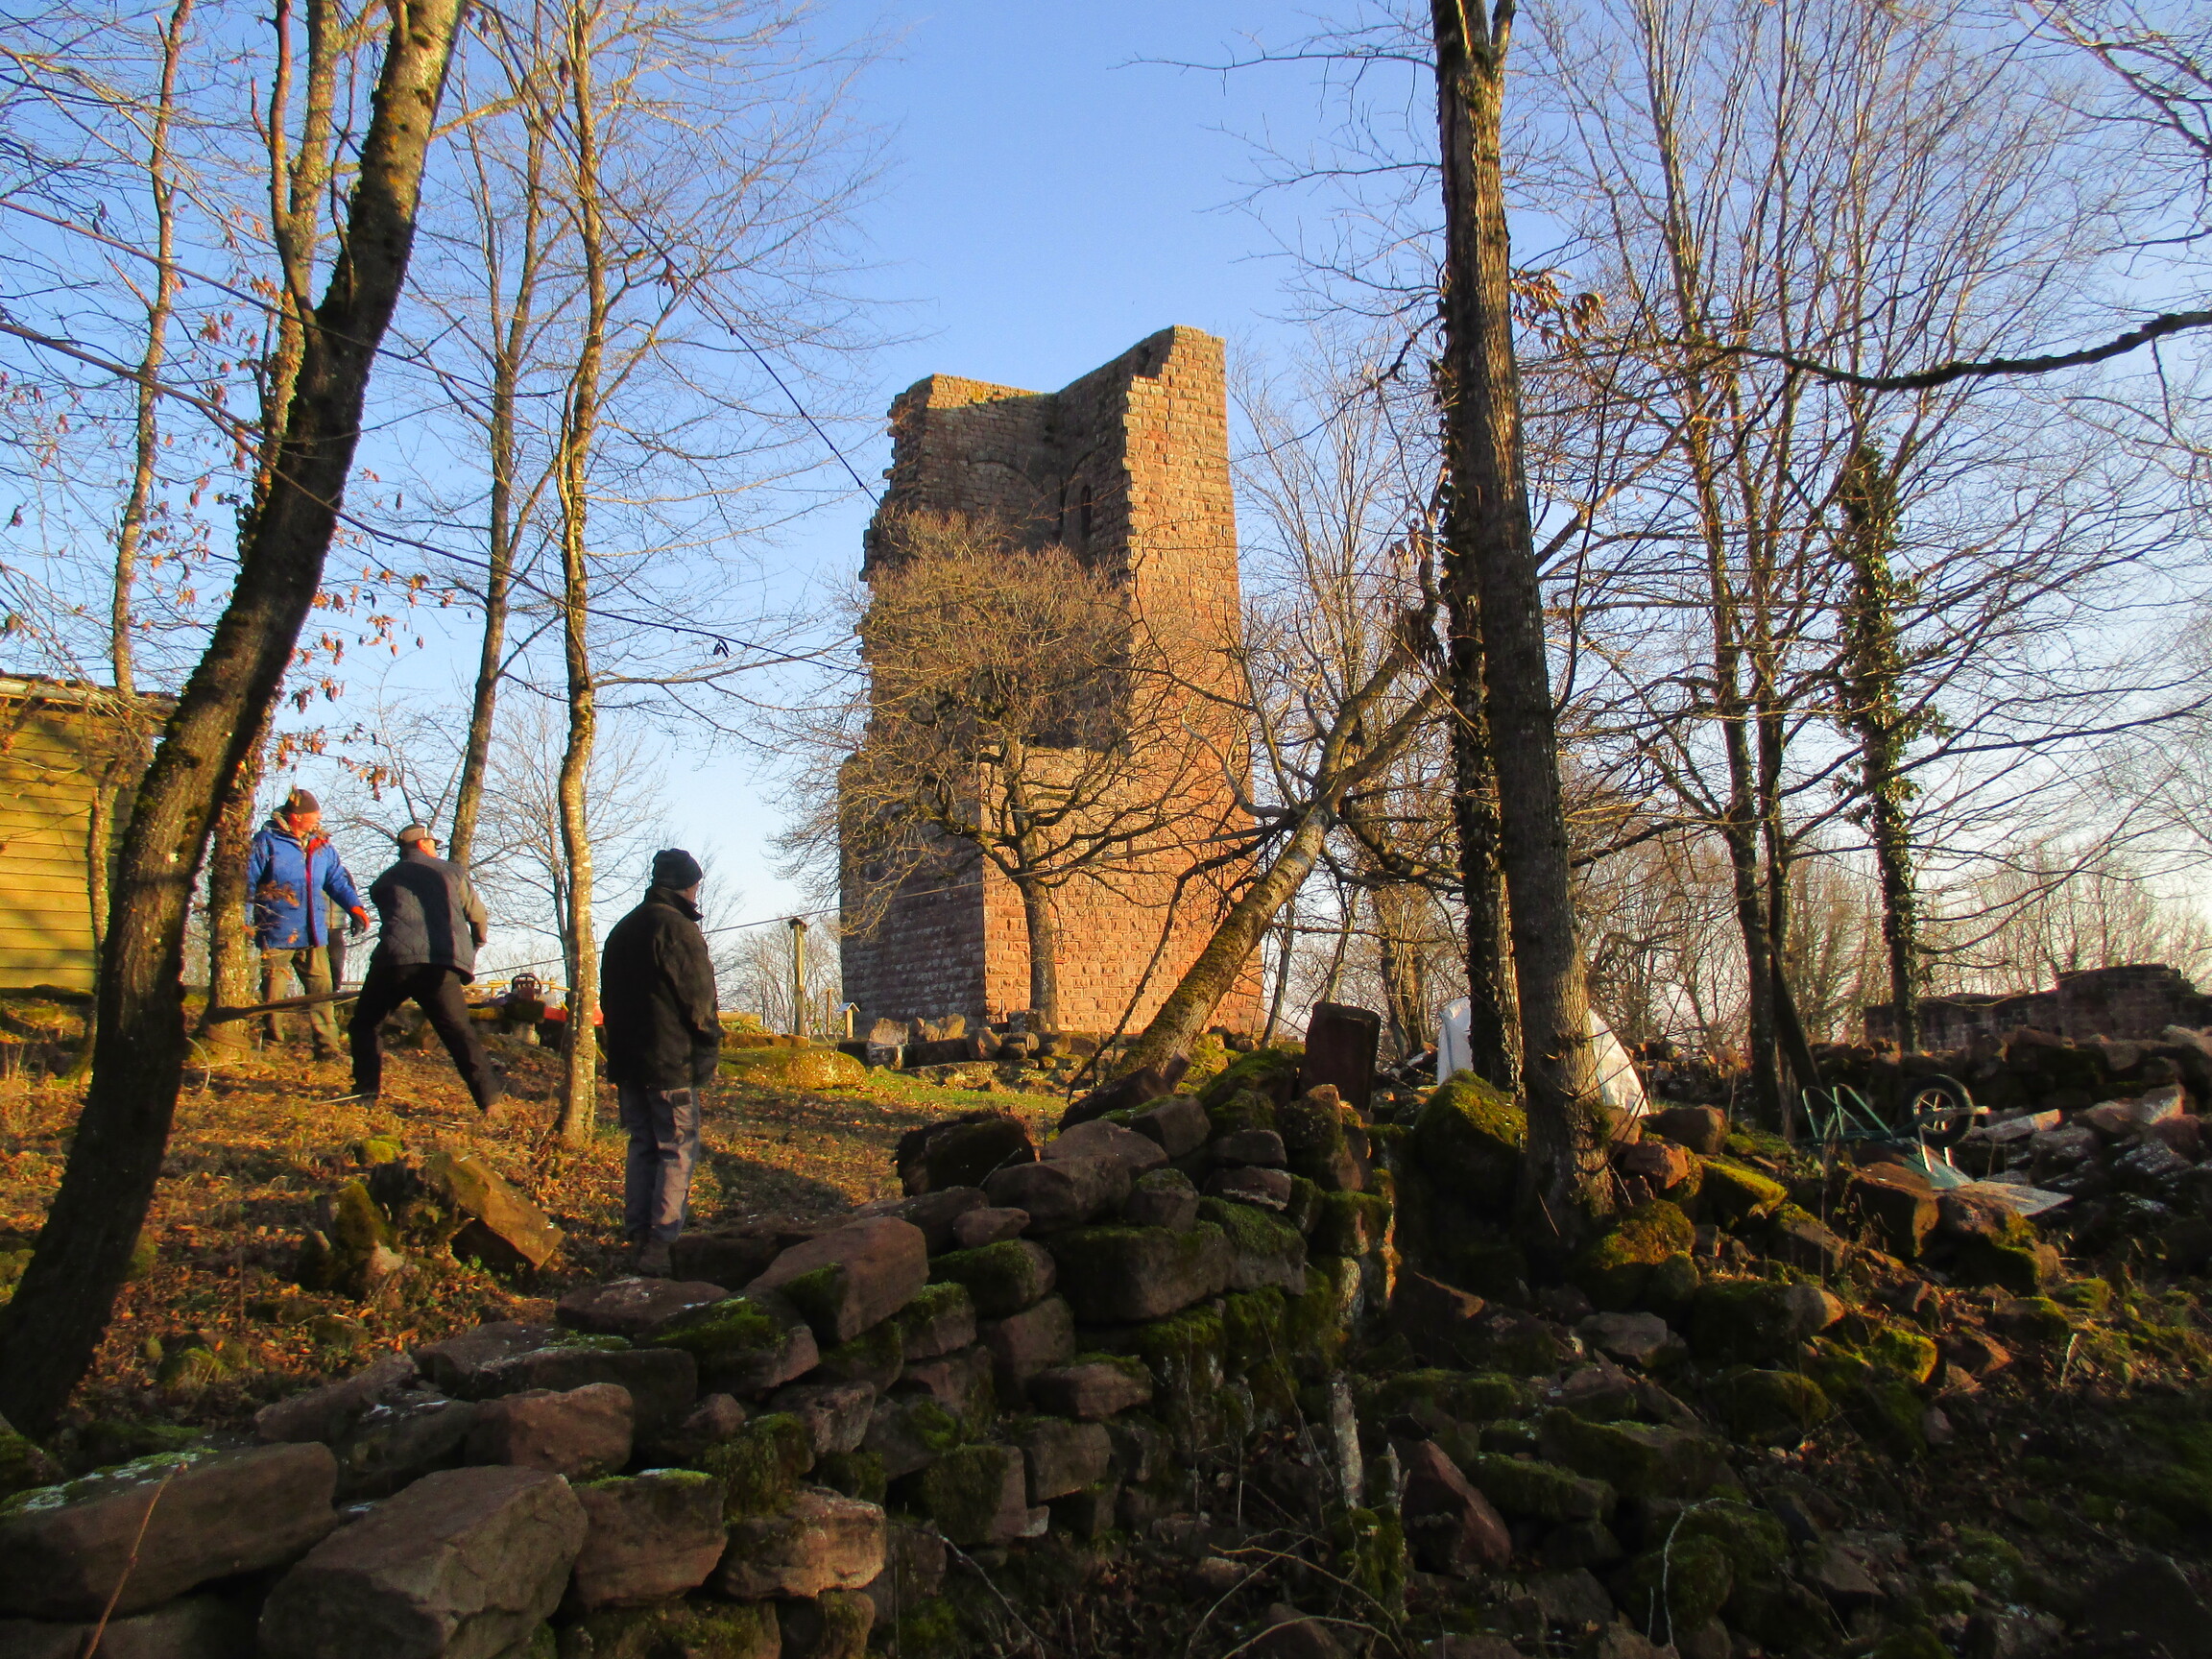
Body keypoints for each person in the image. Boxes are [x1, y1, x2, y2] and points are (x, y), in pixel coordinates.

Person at [601, 848, 721, 1277]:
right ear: (688, 885)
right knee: (675, 1148)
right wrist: (709, 1046)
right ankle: (661, 1243)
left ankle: (637, 1234)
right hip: (670, 1060)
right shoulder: (677, 929)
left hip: (627, 1059)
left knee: (642, 1145)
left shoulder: (622, 929)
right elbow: (699, 1001)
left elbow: (607, 1001)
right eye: (696, 885)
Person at [349, 825, 500, 1114]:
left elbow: (387, 909)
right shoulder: (452, 872)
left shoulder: (385, 880)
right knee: (459, 1033)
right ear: (422, 845)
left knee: (365, 1024)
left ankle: (366, 1093)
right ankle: (490, 1104)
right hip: (440, 965)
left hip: (394, 962)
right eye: (432, 844)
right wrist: (477, 941)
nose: (435, 849)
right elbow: (477, 914)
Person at [247, 787, 369, 1060]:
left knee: (322, 992)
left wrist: (355, 908)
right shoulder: (266, 842)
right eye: (314, 814)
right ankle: (272, 1047)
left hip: (314, 932)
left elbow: (337, 880)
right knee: (273, 994)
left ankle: (328, 1048)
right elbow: (247, 883)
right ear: (296, 816)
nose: (319, 818)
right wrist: (245, 924)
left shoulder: (321, 846)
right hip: (276, 931)